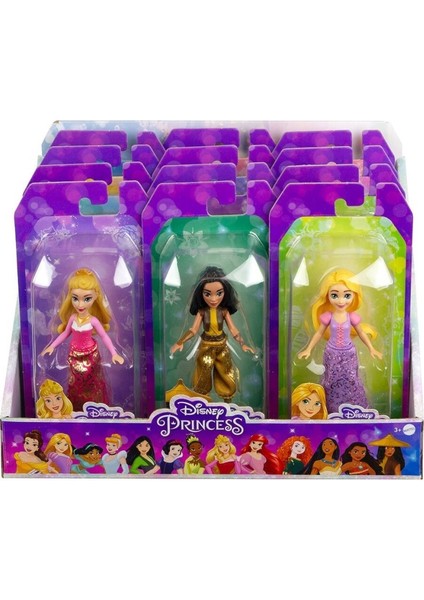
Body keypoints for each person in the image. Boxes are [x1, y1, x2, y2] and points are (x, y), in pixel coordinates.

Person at [298, 269, 382, 412]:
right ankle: (331, 409)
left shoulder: (352, 317)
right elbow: (319, 333)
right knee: (330, 380)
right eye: (335, 295)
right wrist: (308, 349)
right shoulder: (328, 316)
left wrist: (372, 349)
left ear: (354, 295)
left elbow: (361, 333)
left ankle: (356, 407)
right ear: (327, 295)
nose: (341, 300)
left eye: (347, 295)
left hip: (349, 353)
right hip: (331, 353)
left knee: (352, 379)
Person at [41, 268, 124, 410]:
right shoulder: (73, 318)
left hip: (91, 356)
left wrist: (114, 353)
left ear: (96, 296)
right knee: (75, 383)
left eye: (87, 299)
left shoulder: (93, 320)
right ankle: (76, 407)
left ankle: (95, 407)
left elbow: (104, 336)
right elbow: (65, 334)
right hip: (74, 355)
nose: (80, 304)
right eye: (75, 298)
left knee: (93, 383)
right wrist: (52, 346)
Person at [170, 266, 254, 401]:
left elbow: (233, 329)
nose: (214, 299)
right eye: (208, 294)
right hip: (206, 346)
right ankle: (202, 399)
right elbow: (193, 330)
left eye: (219, 293)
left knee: (226, 372)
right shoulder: (202, 312)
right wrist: (180, 342)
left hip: (222, 346)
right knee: (203, 373)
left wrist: (243, 344)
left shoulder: (224, 311)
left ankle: (228, 401)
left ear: (225, 292)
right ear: (201, 293)